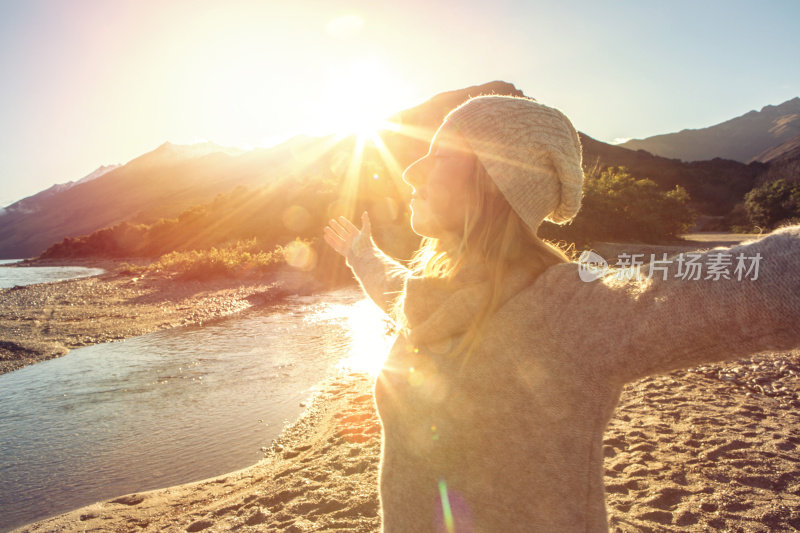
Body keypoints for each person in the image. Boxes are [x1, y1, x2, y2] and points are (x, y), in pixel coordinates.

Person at [323, 95, 800, 532]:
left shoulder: (573, 311)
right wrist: (361, 253)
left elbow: (763, 280)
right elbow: (392, 289)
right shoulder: (428, 298)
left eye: (441, 154)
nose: (411, 172)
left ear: (496, 182)